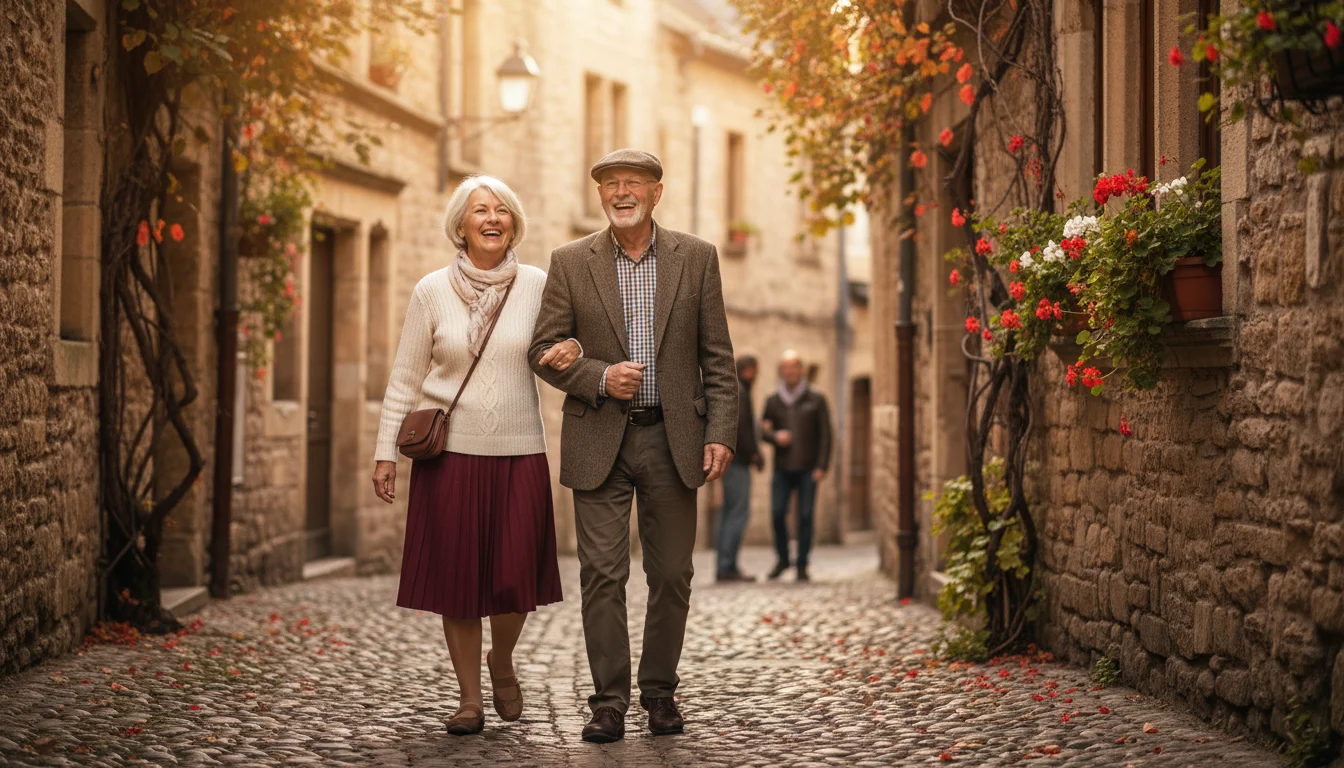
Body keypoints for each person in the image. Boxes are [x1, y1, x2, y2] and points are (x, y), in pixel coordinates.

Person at [530, 148, 738, 743]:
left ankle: (660, 693)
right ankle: (609, 703)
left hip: (674, 440)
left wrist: (720, 430)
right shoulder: (571, 261)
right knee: (601, 573)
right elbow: (542, 348)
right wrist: (596, 376)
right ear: (600, 196)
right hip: (599, 437)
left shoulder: (696, 258)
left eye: (634, 184)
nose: (622, 192)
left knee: (672, 574)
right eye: (611, 184)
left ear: (656, 192)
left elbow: (716, 357)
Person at [371, 175, 578, 736]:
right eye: (480, 210)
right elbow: (405, 378)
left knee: (515, 582)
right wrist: (385, 452)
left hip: (520, 452)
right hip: (449, 457)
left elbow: (571, 340)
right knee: (458, 583)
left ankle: (501, 659)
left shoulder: (537, 284)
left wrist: (572, 350)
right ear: (460, 224)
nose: (492, 219)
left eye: (502, 211)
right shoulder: (431, 291)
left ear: (513, 223)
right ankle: (468, 698)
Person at [761, 350, 832, 583]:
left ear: (801, 370)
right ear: (782, 371)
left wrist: (822, 465)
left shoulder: (816, 398)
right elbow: (764, 430)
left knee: (805, 516)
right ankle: (783, 559)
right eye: (786, 368)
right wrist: (774, 437)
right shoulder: (773, 400)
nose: (790, 372)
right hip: (782, 468)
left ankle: (802, 564)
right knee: (777, 513)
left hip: (808, 468)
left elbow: (826, 435)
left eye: (794, 367)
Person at [717, 355, 763, 582]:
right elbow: (742, 429)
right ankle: (727, 566)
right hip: (738, 461)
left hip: (734, 460)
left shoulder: (740, 391)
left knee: (729, 512)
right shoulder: (741, 393)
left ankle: (725, 564)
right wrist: (754, 454)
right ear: (748, 370)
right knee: (737, 513)